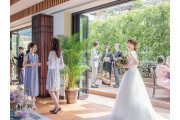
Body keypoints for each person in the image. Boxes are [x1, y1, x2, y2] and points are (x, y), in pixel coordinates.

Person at [108, 39, 167, 120]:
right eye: (127, 43)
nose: (128, 45)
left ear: (134, 45)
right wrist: (124, 64)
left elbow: (136, 63)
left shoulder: (132, 52)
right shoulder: (133, 52)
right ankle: (129, 112)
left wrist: (126, 66)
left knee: (129, 92)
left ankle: (129, 114)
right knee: (131, 93)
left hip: (131, 73)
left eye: (130, 44)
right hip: (131, 73)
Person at [46, 38, 64, 114]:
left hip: (52, 73)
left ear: (53, 44)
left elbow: (51, 65)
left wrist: (47, 63)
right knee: (56, 90)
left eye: (51, 43)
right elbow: (62, 65)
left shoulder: (52, 53)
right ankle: (55, 106)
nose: (50, 44)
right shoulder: (59, 52)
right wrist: (56, 66)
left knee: (51, 91)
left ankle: (57, 107)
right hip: (57, 72)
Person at [23, 43, 41, 109]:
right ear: (30, 47)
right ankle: (27, 103)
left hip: (35, 73)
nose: (36, 48)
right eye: (34, 47)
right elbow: (24, 64)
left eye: (36, 47)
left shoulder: (36, 55)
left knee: (34, 86)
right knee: (28, 86)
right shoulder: (27, 55)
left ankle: (33, 103)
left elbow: (37, 62)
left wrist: (38, 64)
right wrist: (33, 64)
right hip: (29, 73)